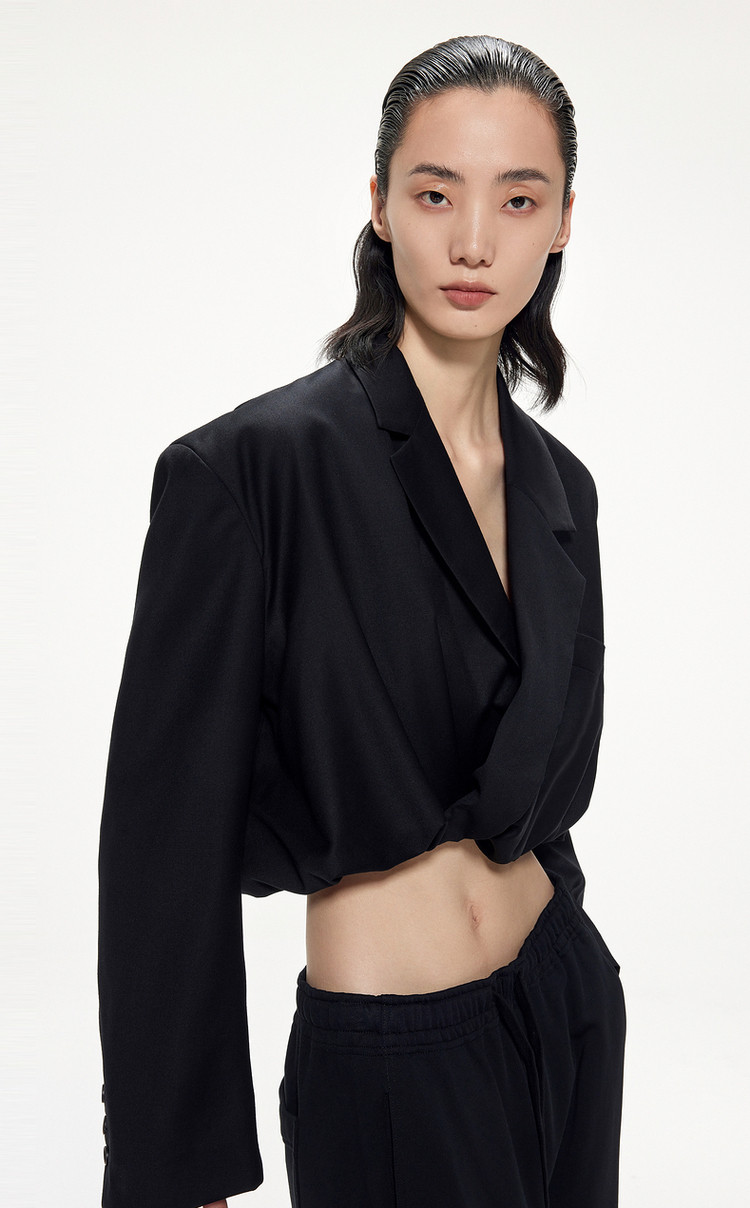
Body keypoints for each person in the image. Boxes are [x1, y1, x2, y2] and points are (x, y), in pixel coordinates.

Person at [97, 33, 627, 1208]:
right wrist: (171, 1172)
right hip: (394, 1059)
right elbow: (161, 848)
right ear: (380, 204)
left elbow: (533, 785)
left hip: (567, 1002)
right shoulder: (251, 471)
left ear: (562, 221)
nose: (475, 240)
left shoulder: (562, 489)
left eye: (518, 198)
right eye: (436, 193)